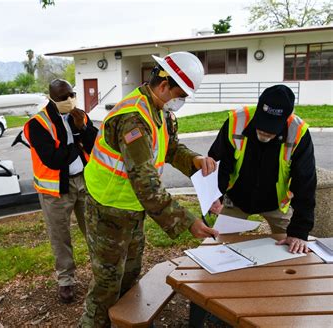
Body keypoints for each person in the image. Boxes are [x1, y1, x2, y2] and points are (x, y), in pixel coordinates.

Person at [80, 52, 219, 327]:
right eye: (181, 94)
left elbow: (169, 147)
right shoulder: (133, 118)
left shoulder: (159, 110)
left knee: (130, 277)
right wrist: (188, 222)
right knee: (107, 287)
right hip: (108, 210)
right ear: (165, 85)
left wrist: (194, 161)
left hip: (132, 210)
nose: (182, 102)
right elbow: (146, 184)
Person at [208, 84, 316, 254]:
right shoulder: (237, 121)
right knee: (218, 248)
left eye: (272, 128)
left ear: (286, 118)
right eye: (263, 124)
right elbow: (218, 161)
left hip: (276, 203)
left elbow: (305, 183)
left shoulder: (299, 133)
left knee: (294, 249)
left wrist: (299, 231)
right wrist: (215, 195)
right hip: (236, 198)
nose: (265, 132)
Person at [23, 79, 98, 303]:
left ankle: (102, 273)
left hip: (84, 182)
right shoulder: (37, 124)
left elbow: (95, 144)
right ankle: (66, 281)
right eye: (63, 97)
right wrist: (76, 137)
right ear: (51, 98)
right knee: (60, 237)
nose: (69, 100)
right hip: (55, 189)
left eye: (71, 94)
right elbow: (54, 159)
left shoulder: (80, 115)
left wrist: (83, 128)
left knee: (94, 229)